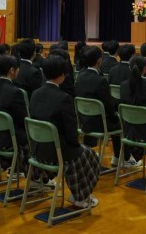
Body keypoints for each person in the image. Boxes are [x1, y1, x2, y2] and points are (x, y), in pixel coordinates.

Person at [29, 55, 101, 208]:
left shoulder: (35, 94)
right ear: (62, 75)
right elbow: (71, 133)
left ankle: (79, 194)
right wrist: (76, 146)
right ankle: (81, 196)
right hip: (58, 152)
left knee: (82, 152)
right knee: (90, 155)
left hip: (37, 150)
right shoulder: (64, 98)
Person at [75, 46, 136, 168]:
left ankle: (91, 156)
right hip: (99, 124)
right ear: (99, 61)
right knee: (119, 122)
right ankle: (123, 158)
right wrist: (115, 117)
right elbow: (108, 106)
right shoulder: (100, 80)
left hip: (83, 121)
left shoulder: (80, 76)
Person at [0, 55, 29, 173]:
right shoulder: (15, 92)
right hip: (10, 141)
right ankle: (27, 172)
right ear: (12, 70)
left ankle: (3, 165)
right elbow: (23, 120)